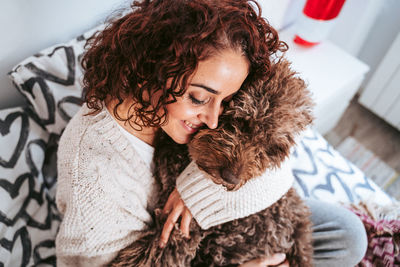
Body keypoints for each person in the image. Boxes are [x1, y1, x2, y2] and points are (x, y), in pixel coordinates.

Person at [55, 0, 367, 266]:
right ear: (153, 67)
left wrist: (197, 194)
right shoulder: (94, 171)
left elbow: (274, 162)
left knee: (347, 233)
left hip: (228, 227)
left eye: (226, 102)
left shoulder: (182, 109)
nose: (215, 120)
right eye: (200, 98)